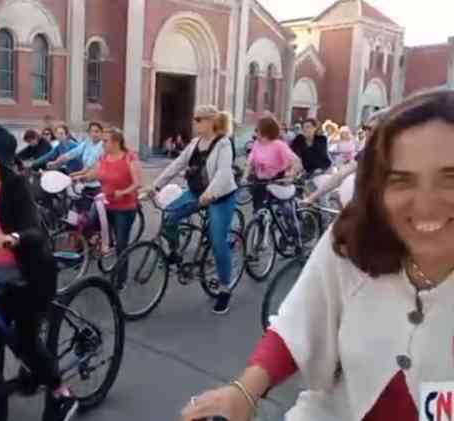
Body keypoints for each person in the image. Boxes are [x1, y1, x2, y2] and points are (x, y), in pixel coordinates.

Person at [181, 87, 454, 421]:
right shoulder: (355, 239)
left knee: (219, 237)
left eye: (450, 178)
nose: (425, 204)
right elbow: (302, 320)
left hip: (258, 191)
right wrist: (243, 391)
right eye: (402, 181)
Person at [0, 124, 77, 421]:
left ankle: (62, 394)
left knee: (25, 343)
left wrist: (12, 238)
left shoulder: (15, 187)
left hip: (26, 278)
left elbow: (34, 231)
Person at [146, 106, 239, 313]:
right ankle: (174, 253)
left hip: (220, 196)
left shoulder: (223, 143)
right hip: (196, 192)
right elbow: (177, 164)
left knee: (217, 241)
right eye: (194, 119)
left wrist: (211, 193)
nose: (195, 123)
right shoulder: (195, 143)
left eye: (198, 119)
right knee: (169, 215)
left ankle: (225, 289)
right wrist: (156, 185)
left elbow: (224, 174)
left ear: (210, 121)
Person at [74, 127, 142, 286]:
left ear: (116, 142)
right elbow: (96, 174)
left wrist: (123, 192)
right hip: (105, 204)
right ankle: (101, 243)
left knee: (122, 244)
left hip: (124, 208)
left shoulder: (130, 157)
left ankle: (120, 281)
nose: (102, 143)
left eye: (106, 141)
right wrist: (82, 178)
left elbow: (138, 183)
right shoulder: (103, 157)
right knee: (88, 223)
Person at [302, 108, 388, 206]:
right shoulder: (367, 153)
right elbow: (340, 175)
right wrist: (311, 198)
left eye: (370, 129)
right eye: (365, 128)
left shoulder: (397, 153)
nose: (366, 132)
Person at [242, 116, 302, 212]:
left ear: (265, 131)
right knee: (258, 213)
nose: (255, 132)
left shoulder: (279, 145)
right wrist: (244, 177)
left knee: (280, 212)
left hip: (277, 183)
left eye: (257, 130)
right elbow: (250, 161)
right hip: (260, 183)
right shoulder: (257, 143)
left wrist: (291, 175)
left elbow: (296, 161)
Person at [49, 122, 105, 190]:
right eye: (91, 131)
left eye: (96, 131)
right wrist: (55, 162)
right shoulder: (88, 142)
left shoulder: (103, 146)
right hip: (85, 181)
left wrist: (78, 175)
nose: (93, 134)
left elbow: (93, 169)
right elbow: (74, 153)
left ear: (102, 132)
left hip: (98, 184)